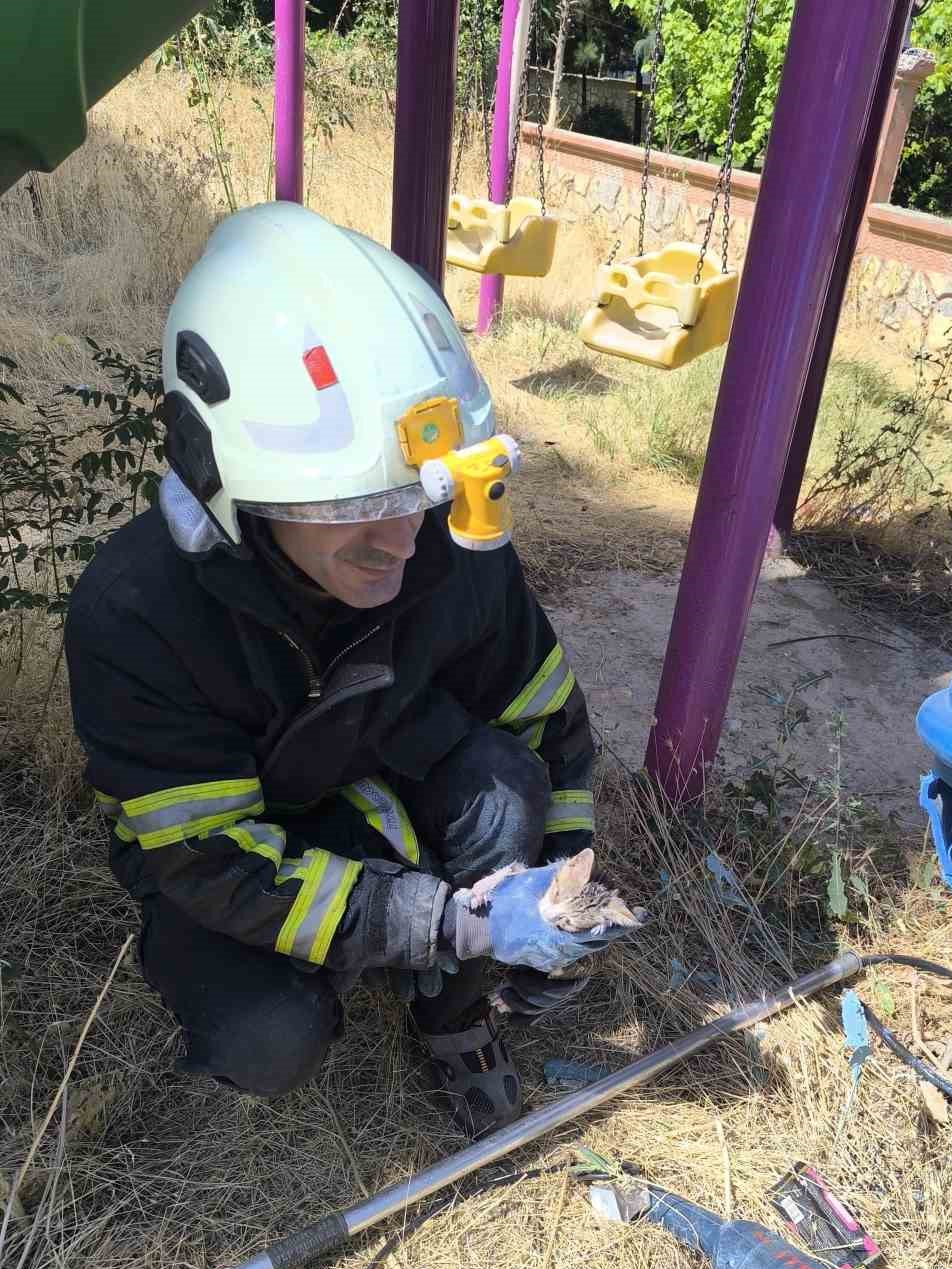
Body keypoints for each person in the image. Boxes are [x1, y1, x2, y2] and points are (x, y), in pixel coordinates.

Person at [65, 201, 632, 1139]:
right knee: (267, 1037)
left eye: (422, 493)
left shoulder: (451, 547)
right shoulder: (139, 615)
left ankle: (453, 1011)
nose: (401, 539)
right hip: (237, 839)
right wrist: (438, 921)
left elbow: (549, 724)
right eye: (352, 507)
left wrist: (559, 891)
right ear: (226, 478)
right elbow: (210, 859)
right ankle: (357, 967)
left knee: (507, 786)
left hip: (379, 764)